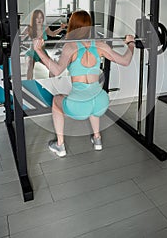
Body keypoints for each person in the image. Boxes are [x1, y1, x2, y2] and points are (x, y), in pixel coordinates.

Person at [33, 10, 135, 157]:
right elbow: (125, 61)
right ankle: (97, 139)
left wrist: (38, 50)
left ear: (72, 26)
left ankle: (60, 145)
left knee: (56, 101)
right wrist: (131, 43)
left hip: (79, 106)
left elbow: (56, 71)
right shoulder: (100, 45)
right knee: (91, 99)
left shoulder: (70, 47)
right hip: (102, 101)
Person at [24, 9, 67, 80]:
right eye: (37, 17)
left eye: (41, 17)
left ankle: (52, 82)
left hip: (42, 52)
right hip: (32, 52)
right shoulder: (29, 28)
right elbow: (20, 37)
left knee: (52, 68)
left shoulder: (45, 28)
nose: (39, 19)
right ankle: (29, 83)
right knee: (30, 67)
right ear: (34, 19)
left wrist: (61, 28)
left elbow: (53, 34)